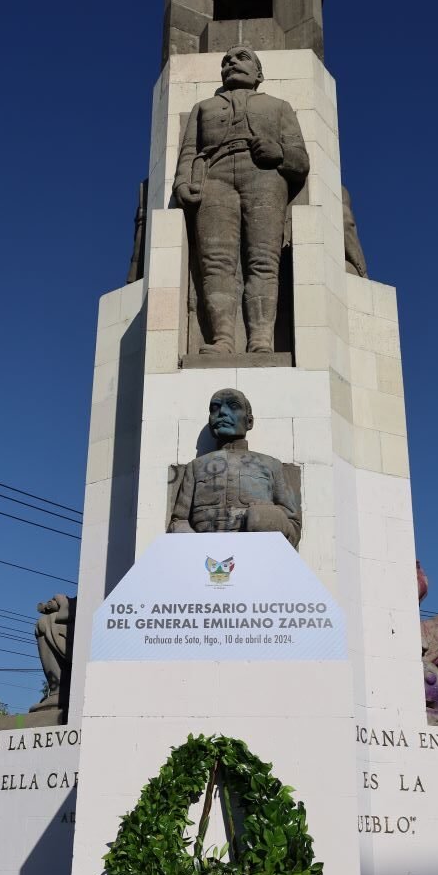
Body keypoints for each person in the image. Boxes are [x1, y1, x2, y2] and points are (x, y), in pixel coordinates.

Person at [174, 46, 309, 355]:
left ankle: (261, 339)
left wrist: (280, 153)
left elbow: (301, 159)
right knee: (216, 263)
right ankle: (222, 339)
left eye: (241, 57)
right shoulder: (203, 107)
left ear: (259, 73)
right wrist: (183, 182)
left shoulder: (279, 106)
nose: (231, 62)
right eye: (226, 60)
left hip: (264, 175)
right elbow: (189, 150)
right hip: (214, 177)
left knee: (263, 261)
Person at [168, 387, 301, 547]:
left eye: (233, 406)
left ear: (249, 421)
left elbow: (292, 524)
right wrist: (193, 545)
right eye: (215, 408)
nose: (223, 412)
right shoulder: (195, 467)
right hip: (206, 554)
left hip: (257, 551)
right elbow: (179, 520)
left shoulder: (271, 465)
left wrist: (266, 519)